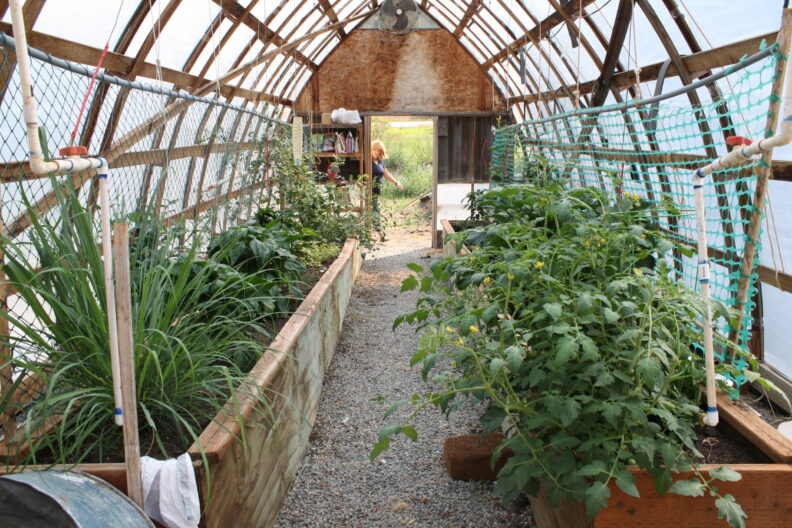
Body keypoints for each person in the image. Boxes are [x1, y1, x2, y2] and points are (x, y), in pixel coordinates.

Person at [370, 140, 403, 237]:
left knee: (373, 210)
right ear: (371, 150)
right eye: (374, 150)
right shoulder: (367, 161)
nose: (376, 152)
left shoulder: (380, 162)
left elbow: (385, 174)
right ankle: (379, 233)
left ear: (381, 152)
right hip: (368, 191)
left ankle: (372, 233)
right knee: (374, 210)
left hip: (376, 190)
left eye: (378, 150)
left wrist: (396, 183)